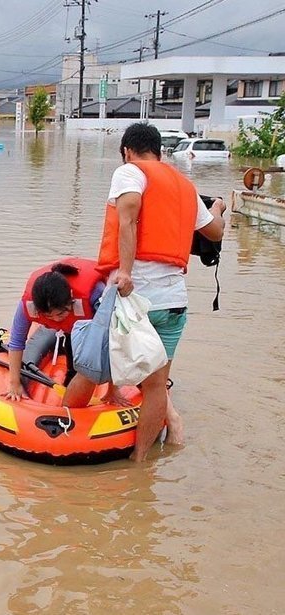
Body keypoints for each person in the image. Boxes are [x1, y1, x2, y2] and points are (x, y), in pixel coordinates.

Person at [96, 123, 225, 462]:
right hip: (174, 303)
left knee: (98, 366)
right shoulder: (185, 185)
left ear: (127, 151)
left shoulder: (129, 172)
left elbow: (128, 216)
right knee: (155, 386)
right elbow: (214, 231)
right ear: (160, 150)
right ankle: (140, 463)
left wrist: (124, 271)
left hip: (136, 301)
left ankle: (78, 424)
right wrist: (220, 209)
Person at [3, 257, 118, 407]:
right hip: (71, 327)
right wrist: (14, 383)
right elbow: (17, 342)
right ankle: (69, 384)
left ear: (71, 297)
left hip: (87, 325)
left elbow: (113, 341)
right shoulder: (28, 305)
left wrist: (113, 390)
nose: (56, 320)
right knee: (72, 366)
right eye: (49, 316)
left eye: (60, 314)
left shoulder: (96, 296)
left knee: (87, 358)